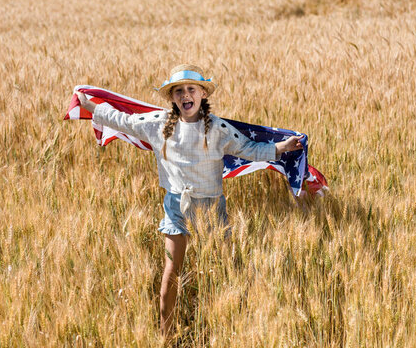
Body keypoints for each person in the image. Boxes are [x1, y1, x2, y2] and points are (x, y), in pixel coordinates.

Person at [76, 64, 303, 338]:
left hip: (212, 207)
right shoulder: (157, 124)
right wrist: (91, 106)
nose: (186, 95)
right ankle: (166, 334)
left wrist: (281, 148)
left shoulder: (218, 129)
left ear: (203, 93)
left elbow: (250, 149)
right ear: (172, 97)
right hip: (176, 206)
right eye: (179, 91)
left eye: (191, 89)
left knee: (228, 266)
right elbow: (123, 120)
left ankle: (236, 328)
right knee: (171, 270)